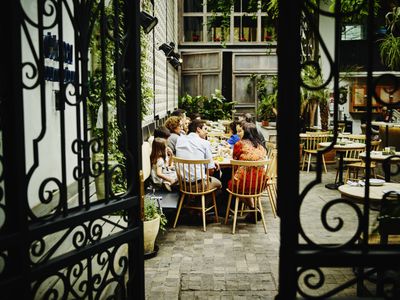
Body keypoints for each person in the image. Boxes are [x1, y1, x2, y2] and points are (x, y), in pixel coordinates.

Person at [229, 122, 267, 222]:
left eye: (240, 131)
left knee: (232, 184)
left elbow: (234, 160)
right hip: (261, 184)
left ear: (245, 133)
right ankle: (253, 209)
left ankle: (252, 208)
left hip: (243, 183)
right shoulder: (261, 146)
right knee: (247, 184)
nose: (238, 134)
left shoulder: (239, 144)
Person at [175, 119, 222, 190]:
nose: (206, 132)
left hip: (183, 184)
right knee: (220, 184)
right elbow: (211, 169)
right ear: (198, 129)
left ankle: (195, 199)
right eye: (205, 129)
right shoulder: (205, 143)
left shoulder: (180, 140)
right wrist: (211, 163)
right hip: (199, 184)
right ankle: (203, 200)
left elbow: (191, 155)